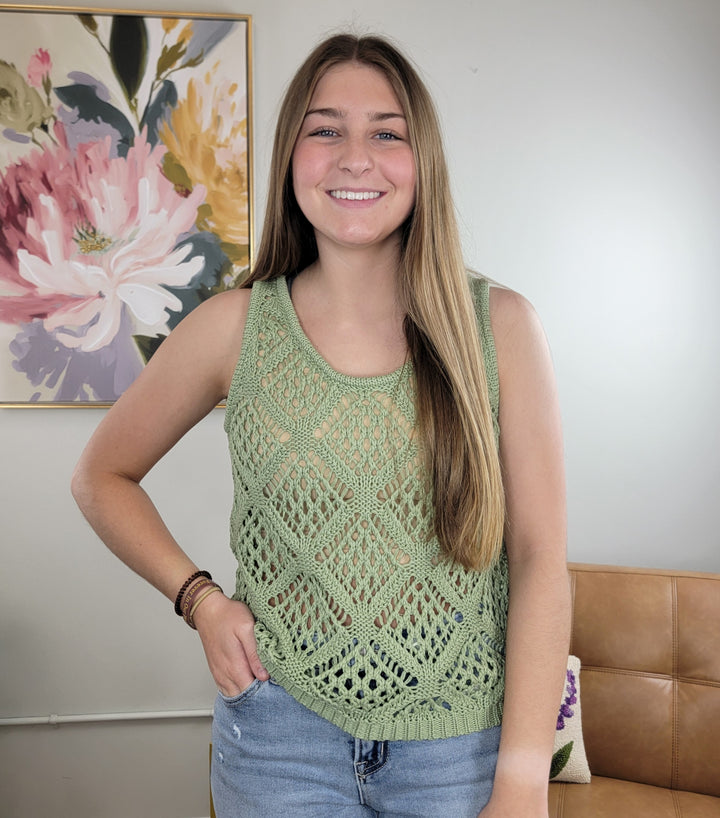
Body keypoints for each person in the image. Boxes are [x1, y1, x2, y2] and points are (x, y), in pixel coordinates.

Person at [72, 32, 570, 818]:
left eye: (387, 132)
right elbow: (100, 476)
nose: (354, 157)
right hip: (278, 742)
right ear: (292, 155)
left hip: (459, 749)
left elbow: (542, 558)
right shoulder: (233, 328)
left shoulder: (500, 326)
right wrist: (199, 600)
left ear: (422, 159)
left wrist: (521, 779)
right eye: (325, 128)